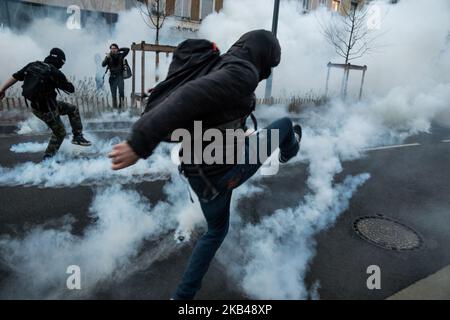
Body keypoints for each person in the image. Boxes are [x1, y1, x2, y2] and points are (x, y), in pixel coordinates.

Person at [108, 30, 302, 300]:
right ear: (262, 57)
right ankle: (288, 152)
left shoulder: (221, 64)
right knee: (283, 126)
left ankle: (182, 297)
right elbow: (189, 97)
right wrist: (138, 144)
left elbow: (214, 111)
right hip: (224, 173)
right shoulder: (242, 72)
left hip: (200, 174)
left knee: (216, 231)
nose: (265, 74)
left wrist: (236, 132)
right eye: (268, 67)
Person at [0, 48, 91, 160]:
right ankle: (48, 158)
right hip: (48, 110)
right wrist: (64, 78)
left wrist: (2, 89)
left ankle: (78, 136)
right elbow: (71, 89)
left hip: (36, 107)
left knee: (73, 109)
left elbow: (15, 76)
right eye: (62, 63)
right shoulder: (56, 72)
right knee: (60, 133)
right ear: (59, 61)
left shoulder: (33, 65)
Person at [102, 43, 130, 109]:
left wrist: (119, 50)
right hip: (112, 78)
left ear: (117, 49)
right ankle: (115, 109)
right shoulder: (108, 56)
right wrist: (107, 58)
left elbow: (127, 49)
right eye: (112, 48)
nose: (113, 50)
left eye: (114, 48)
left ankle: (121, 107)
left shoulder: (121, 55)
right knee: (113, 95)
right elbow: (103, 64)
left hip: (120, 77)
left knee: (121, 93)